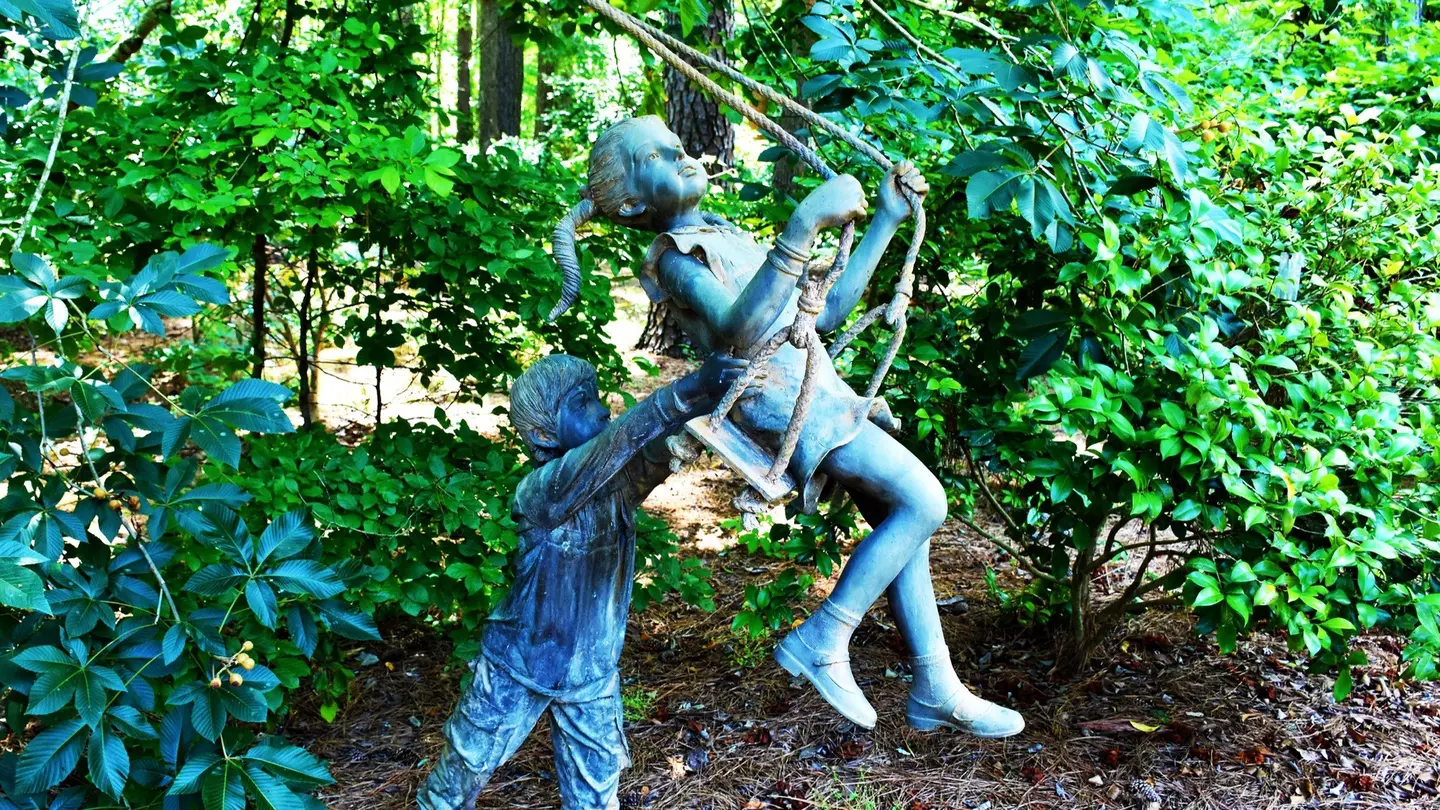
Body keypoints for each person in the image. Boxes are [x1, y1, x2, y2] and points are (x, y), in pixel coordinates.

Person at [547, 115, 1024, 737]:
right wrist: (801, 225)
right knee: (923, 501)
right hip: (779, 402)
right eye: (661, 156)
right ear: (634, 200)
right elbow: (737, 332)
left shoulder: (724, 236)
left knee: (900, 523)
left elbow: (823, 313)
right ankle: (824, 637)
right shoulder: (673, 260)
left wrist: (884, 220)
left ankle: (936, 686)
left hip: (818, 391)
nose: (684, 154)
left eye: (681, 144)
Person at [418, 350, 749, 810]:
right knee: (463, 769)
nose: (599, 410)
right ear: (540, 434)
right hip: (517, 666)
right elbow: (616, 443)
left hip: (590, 674)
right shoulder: (542, 490)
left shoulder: (616, 485)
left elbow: (650, 447)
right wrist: (687, 390)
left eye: (595, 399)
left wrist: (710, 399)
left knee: (596, 792)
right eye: (580, 405)